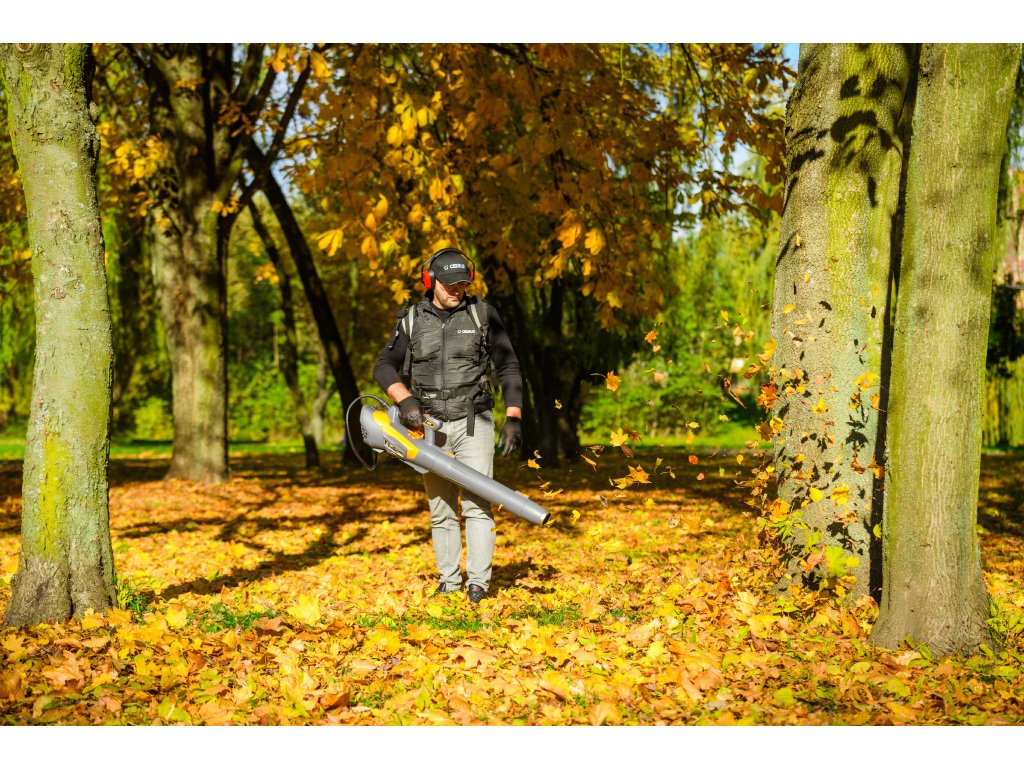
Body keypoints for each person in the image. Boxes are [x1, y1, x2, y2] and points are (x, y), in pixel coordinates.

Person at [373, 247, 524, 604]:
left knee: (477, 502)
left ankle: (478, 583)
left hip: (474, 422)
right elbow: (384, 366)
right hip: (429, 428)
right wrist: (404, 401)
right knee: (441, 508)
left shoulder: (482, 314)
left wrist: (513, 416)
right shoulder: (412, 319)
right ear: (431, 281)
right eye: (449, 284)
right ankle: (449, 580)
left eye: (462, 284)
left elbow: (508, 366)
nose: (457, 290)